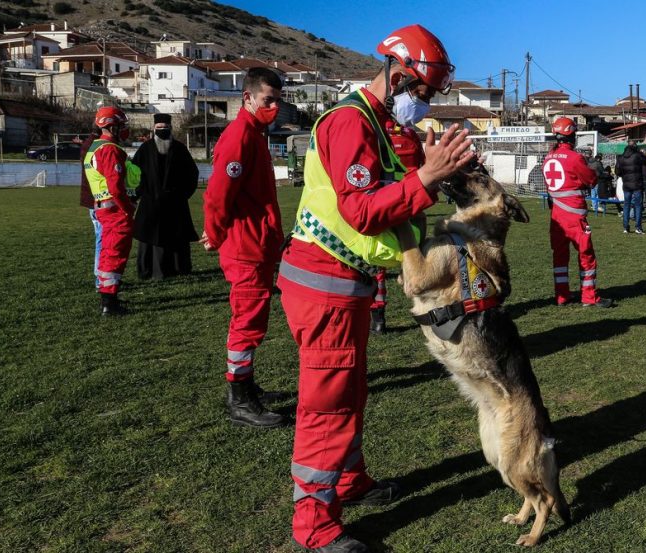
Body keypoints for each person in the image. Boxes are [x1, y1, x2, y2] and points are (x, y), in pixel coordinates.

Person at [277, 24, 473, 552]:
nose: (425, 104)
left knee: (351, 392)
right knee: (328, 405)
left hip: (349, 283)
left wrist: (438, 164)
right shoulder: (349, 123)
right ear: (397, 74)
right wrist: (427, 178)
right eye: (423, 93)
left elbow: (405, 175)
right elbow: (361, 211)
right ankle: (314, 525)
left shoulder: (383, 124)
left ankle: (348, 481)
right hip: (325, 284)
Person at [202, 67, 286, 429]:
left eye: (278, 101)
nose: (274, 107)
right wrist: (215, 233)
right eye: (268, 100)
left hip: (258, 242)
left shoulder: (253, 134)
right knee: (247, 321)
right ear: (247, 98)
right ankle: (239, 398)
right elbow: (219, 195)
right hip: (245, 245)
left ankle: (246, 385)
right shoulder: (239, 137)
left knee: (254, 317)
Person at [543, 116, 614, 308]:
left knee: (559, 255)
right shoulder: (575, 158)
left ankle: (562, 295)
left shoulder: (548, 157)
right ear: (571, 135)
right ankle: (589, 297)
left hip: (556, 215)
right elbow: (590, 180)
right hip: (574, 215)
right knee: (586, 255)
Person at [368, 117, 427, 334]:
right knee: (415, 252)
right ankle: (425, 302)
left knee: (377, 262)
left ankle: (378, 316)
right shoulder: (410, 135)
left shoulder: (374, 133)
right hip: (413, 201)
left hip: (384, 199)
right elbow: (421, 165)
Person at [85, 106, 140, 316]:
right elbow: (116, 186)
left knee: (108, 252)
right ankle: (109, 302)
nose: (124, 130)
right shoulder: (109, 149)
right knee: (115, 254)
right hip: (114, 210)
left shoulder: (94, 148)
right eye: (121, 126)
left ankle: (108, 296)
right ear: (111, 126)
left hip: (103, 208)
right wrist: (128, 208)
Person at [132, 113, 199, 280]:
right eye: (159, 128)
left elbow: (191, 174)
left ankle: (178, 269)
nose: (162, 130)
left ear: (171, 129)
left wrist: (182, 195)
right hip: (150, 202)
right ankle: (148, 270)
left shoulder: (180, 149)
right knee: (150, 237)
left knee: (177, 236)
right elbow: (134, 174)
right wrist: (140, 193)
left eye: (165, 128)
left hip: (175, 203)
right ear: (154, 129)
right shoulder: (145, 149)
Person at [79, 131, 101, 288]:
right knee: (102, 239)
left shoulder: (88, 144)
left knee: (100, 237)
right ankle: (100, 278)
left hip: (91, 199)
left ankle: (101, 276)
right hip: (97, 199)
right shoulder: (97, 146)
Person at [616, 140, 645, 233]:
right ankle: (638, 227)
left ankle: (625, 227)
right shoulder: (637, 156)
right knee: (638, 205)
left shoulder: (621, 157)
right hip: (637, 184)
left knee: (626, 205)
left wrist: (625, 175)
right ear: (635, 146)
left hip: (627, 184)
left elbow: (617, 172)